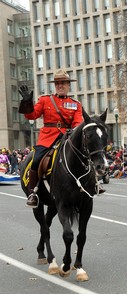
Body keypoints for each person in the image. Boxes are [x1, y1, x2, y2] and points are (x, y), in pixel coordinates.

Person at [18, 69, 84, 208]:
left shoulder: (75, 104)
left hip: (67, 136)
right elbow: (32, 115)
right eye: (58, 83)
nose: (60, 86)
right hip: (48, 137)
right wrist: (27, 102)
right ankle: (33, 192)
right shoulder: (45, 100)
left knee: (85, 155)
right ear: (55, 85)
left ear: (68, 85)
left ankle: (93, 184)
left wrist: (73, 132)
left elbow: (78, 122)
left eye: (63, 83)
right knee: (36, 160)